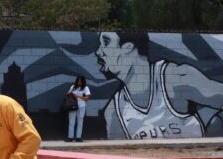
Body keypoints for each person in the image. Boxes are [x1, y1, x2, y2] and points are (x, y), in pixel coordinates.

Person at [95, 31, 223, 139]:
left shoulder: (175, 78)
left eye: (105, 43)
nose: (98, 52)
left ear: (128, 47)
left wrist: (212, 123)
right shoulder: (114, 111)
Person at [65, 75, 90, 142]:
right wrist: (70, 94)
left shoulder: (85, 88)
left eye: (81, 81)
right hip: (72, 106)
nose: (79, 83)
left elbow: (87, 98)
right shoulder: (73, 87)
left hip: (81, 106)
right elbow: (67, 94)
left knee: (80, 122)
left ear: (83, 82)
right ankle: (70, 137)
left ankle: (78, 137)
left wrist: (78, 96)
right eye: (78, 81)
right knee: (71, 122)